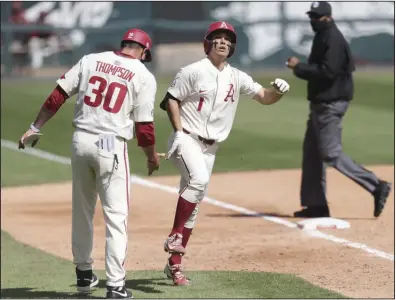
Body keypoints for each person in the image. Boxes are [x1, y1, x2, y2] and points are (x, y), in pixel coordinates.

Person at [18, 28, 160, 299]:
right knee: (116, 217)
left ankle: (84, 275)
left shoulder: (91, 60)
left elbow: (57, 95)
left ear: (124, 44)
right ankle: (116, 286)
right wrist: (151, 156)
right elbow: (144, 127)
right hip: (111, 146)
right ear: (143, 51)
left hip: (80, 142)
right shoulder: (143, 75)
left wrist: (35, 127)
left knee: (82, 211)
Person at [159, 21, 290, 286]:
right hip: (187, 139)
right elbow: (171, 98)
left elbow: (264, 96)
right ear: (207, 44)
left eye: (227, 39)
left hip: (211, 148)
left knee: (194, 204)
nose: (223, 42)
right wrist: (179, 132)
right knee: (198, 181)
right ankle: (174, 234)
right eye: (217, 38)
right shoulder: (192, 71)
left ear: (232, 47)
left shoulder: (237, 76)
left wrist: (277, 91)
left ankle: (174, 266)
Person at [287, 1, 391, 218]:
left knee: (330, 153)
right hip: (321, 103)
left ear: (327, 17)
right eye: (311, 16)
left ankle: (376, 185)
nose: (313, 21)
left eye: (316, 17)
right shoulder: (323, 35)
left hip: (330, 104)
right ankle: (316, 205)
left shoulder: (332, 38)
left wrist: (299, 67)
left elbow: (328, 72)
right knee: (312, 153)